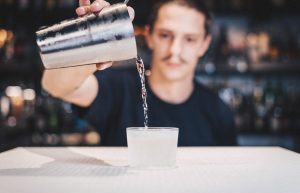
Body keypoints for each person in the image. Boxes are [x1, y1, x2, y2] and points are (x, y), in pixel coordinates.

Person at [42, 0, 237, 146]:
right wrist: (90, 39)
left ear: (204, 44)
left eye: (190, 39)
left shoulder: (219, 113)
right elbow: (54, 86)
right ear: (149, 36)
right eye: (165, 35)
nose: (175, 50)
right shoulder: (119, 88)